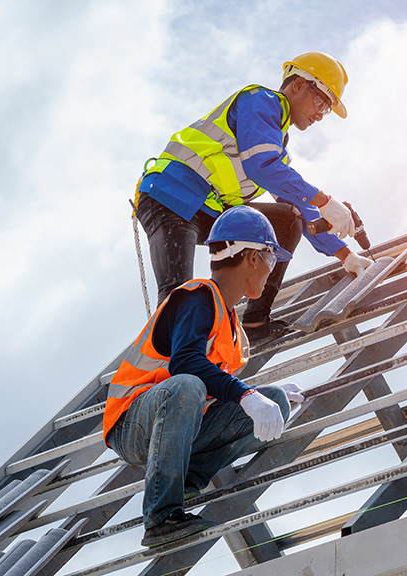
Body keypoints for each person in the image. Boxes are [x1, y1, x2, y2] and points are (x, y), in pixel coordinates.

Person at [133, 51, 373, 343]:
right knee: (177, 295)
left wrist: (346, 256)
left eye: (326, 110)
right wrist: (325, 200)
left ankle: (255, 324)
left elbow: (298, 206)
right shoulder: (261, 102)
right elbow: (261, 167)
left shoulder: (275, 142)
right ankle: (172, 369)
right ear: (298, 85)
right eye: (321, 102)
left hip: (210, 211)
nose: (321, 114)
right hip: (170, 197)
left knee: (288, 220)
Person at [103, 206, 306, 548]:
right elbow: (186, 363)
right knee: (187, 384)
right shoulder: (198, 298)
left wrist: (259, 395)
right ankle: (162, 515)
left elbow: (213, 384)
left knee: (277, 402)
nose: (272, 272)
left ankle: (184, 481)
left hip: (179, 422)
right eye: (271, 261)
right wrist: (246, 395)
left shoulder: (229, 322)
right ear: (253, 259)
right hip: (132, 424)